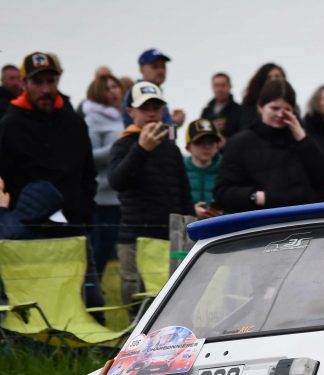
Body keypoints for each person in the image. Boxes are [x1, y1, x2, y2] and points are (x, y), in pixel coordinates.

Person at [108, 81, 194, 304]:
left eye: (156, 107)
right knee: (136, 303)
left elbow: (183, 193)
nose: (151, 113)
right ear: (130, 111)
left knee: (174, 299)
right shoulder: (124, 144)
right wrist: (141, 150)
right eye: (145, 108)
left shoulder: (171, 147)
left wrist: (190, 232)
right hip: (135, 238)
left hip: (170, 238)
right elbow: (117, 181)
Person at [0, 52, 98, 239]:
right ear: (24, 84)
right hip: (26, 233)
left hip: (73, 230)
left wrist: (84, 215)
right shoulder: (10, 126)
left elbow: (88, 175)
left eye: (50, 81)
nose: (45, 89)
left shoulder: (74, 123)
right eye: (37, 82)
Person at [214, 79, 324, 213]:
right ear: (260, 107)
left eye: (287, 109)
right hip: (261, 223)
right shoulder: (240, 143)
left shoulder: (301, 140)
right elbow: (222, 192)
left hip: (302, 220)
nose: (280, 114)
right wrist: (255, 197)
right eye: (274, 108)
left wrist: (302, 138)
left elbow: (323, 178)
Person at [82, 74, 125, 275]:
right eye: (108, 88)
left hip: (119, 192)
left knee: (108, 243)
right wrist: (116, 147)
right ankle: (92, 283)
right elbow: (88, 155)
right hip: (102, 195)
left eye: (116, 87)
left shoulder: (121, 117)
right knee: (102, 243)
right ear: (99, 92)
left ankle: (96, 284)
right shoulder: (93, 119)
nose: (115, 91)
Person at [121, 49, 185, 133]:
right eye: (155, 66)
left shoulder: (157, 93)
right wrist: (173, 123)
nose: (160, 71)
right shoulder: (133, 94)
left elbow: (171, 138)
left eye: (163, 66)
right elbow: (138, 133)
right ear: (142, 70)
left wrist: (173, 125)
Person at [185, 119, 223, 219]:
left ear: (217, 146)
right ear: (188, 147)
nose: (206, 146)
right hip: (185, 230)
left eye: (211, 142)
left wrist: (223, 214)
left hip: (221, 230)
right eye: (199, 142)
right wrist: (191, 211)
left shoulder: (227, 171)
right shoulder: (178, 171)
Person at [239, 63, 286, 130]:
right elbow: (245, 129)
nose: (273, 80)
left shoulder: (290, 105)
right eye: (268, 78)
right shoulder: (250, 105)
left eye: (277, 77)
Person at [201, 72, 243, 139]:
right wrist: (211, 128)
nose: (219, 89)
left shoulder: (240, 110)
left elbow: (243, 134)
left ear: (230, 86)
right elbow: (199, 133)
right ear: (212, 88)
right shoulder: (206, 111)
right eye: (216, 85)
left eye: (223, 85)